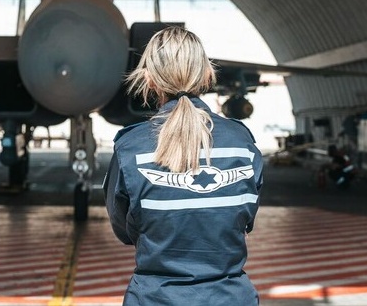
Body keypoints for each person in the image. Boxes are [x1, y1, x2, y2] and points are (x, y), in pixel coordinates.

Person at [103, 26, 263, 305]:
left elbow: (124, 230)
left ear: (149, 80)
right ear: (207, 74)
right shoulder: (243, 143)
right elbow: (245, 221)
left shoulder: (130, 148)